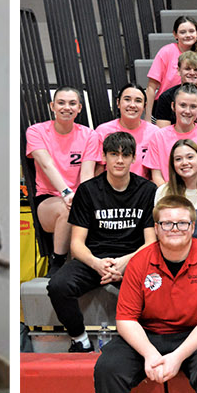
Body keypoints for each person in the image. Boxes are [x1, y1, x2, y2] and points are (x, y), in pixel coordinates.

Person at [93, 195, 197, 393]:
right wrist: (150, 354)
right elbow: (126, 319)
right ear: (157, 228)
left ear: (193, 227)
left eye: (182, 223)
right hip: (150, 333)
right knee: (108, 367)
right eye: (167, 223)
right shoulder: (139, 261)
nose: (175, 228)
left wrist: (177, 357)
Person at [49, 132, 158, 352]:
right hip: (95, 258)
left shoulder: (147, 191)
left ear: (134, 158)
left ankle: (145, 341)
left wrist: (124, 263)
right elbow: (77, 244)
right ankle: (80, 339)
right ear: (104, 157)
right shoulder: (88, 191)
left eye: (125, 155)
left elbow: (150, 244)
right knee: (58, 286)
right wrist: (96, 263)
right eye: (114, 154)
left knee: (158, 287)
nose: (119, 160)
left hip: (133, 258)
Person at [26, 87, 97, 265]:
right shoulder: (36, 131)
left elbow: (87, 173)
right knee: (68, 210)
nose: (67, 107)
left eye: (72, 103)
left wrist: (82, 198)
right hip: (49, 199)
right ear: (52, 106)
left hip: (79, 198)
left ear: (80, 108)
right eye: (61, 103)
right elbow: (46, 164)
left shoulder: (89, 135)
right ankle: (56, 262)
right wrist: (66, 193)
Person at [146, 86, 197, 185]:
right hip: (168, 195)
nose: (187, 111)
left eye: (193, 106)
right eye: (183, 105)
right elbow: (157, 176)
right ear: (173, 106)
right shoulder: (158, 137)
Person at [96, 84, 165, 179]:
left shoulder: (155, 133)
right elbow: (99, 170)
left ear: (144, 106)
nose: (132, 105)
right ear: (118, 103)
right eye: (127, 99)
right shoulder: (103, 131)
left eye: (138, 101)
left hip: (144, 189)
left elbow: (157, 172)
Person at [147, 16, 197, 115]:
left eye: (191, 31)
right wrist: (147, 117)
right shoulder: (166, 51)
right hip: (165, 106)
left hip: (191, 108)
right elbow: (151, 88)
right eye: (182, 32)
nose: (188, 35)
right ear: (175, 34)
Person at [149, 51, 197, 130]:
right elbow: (164, 134)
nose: (192, 73)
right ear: (179, 71)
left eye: (196, 70)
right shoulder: (165, 97)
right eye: (187, 69)